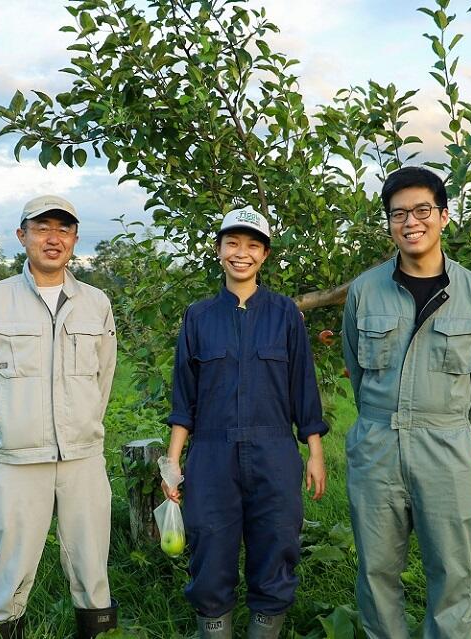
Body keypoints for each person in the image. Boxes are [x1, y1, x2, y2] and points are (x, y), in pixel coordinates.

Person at [341, 167, 471, 639]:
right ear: (389, 223)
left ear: (444, 216)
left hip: (446, 444)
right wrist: (385, 420)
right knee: (376, 573)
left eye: (421, 210)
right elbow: (357, 366)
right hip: (377, 446)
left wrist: (451, 426)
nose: (410, 222)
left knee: (453, 573)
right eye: (398, 214)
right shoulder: (364, 291)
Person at [162, 208, 329, 638]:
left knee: (276, 542)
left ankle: (265, 628)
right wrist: (173, 462)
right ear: (218, 251)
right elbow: (185, 398)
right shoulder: (198, 316)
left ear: (265, 254)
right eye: (233, 243)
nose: (242, 253)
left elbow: (303, 389)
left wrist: (314, 452)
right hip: (212, 452)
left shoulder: (285, 314)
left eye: (253, 245)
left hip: (274, 451)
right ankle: (214, 627)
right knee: (209, 544)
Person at [0, 195, 119, 639]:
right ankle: (4, 628)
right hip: (15, 456)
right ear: (22, 236)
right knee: (11, 560)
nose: (54, 238)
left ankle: (98, 629)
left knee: (91, 560)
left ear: (74, 239)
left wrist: (84, 426)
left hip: (82, 457)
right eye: (42, 227)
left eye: (63, 230)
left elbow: (103, 375)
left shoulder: (95, 302)